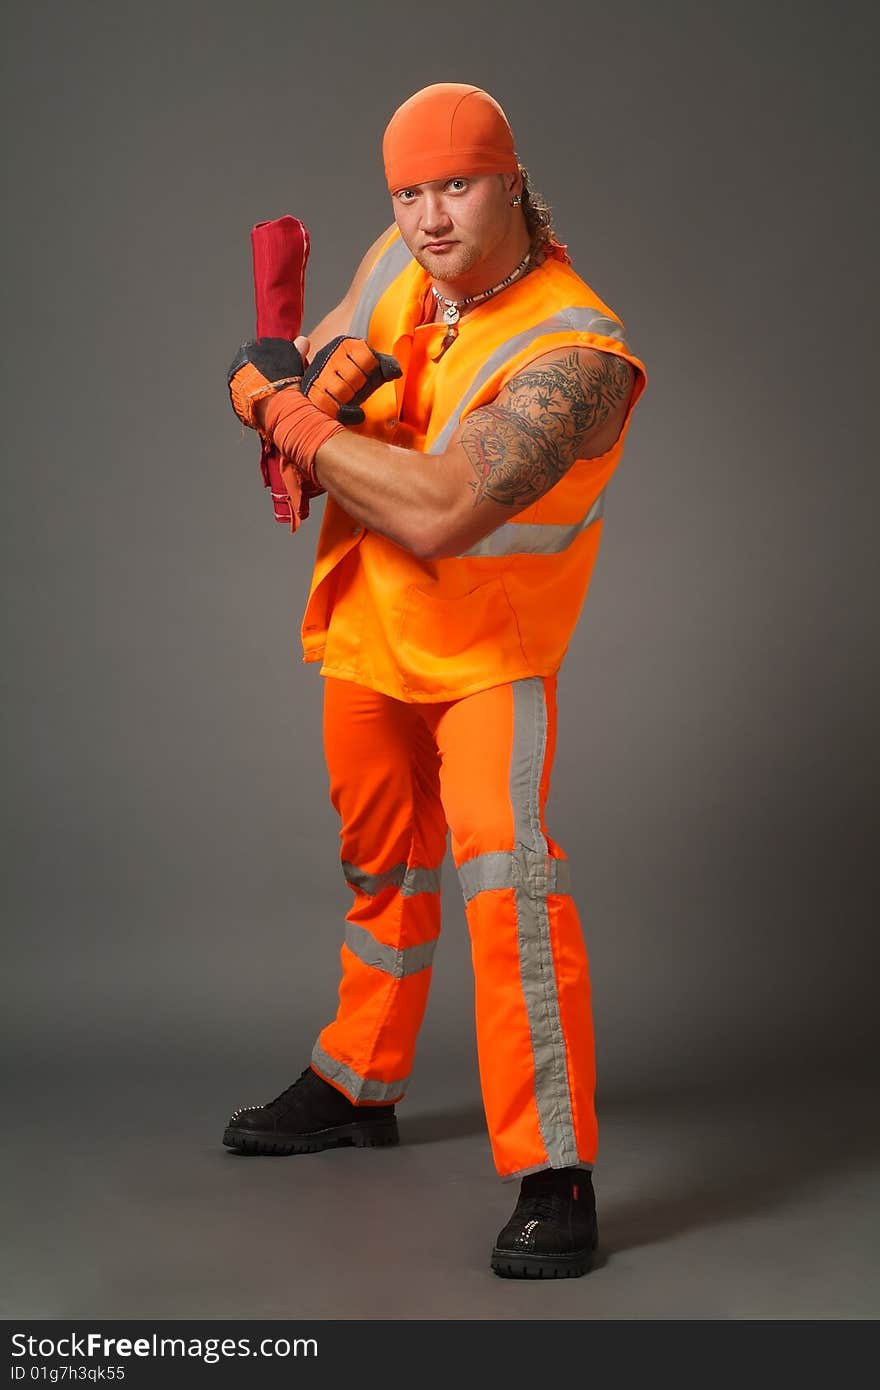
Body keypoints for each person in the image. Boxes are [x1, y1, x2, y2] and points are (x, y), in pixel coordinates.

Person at [224, 82, 647, 1280]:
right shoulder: (401, 258)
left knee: (506, 885)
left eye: (453, 185)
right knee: (377, 860)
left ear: (510, 180)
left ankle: (554, 1167)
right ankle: (359, 1079)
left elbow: (446, 509)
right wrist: (312, 375)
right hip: (369, 625)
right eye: (407, 191)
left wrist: (293, 421)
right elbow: (322, 354)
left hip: (486, 657)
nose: (427, 218)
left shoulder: (578, 352)